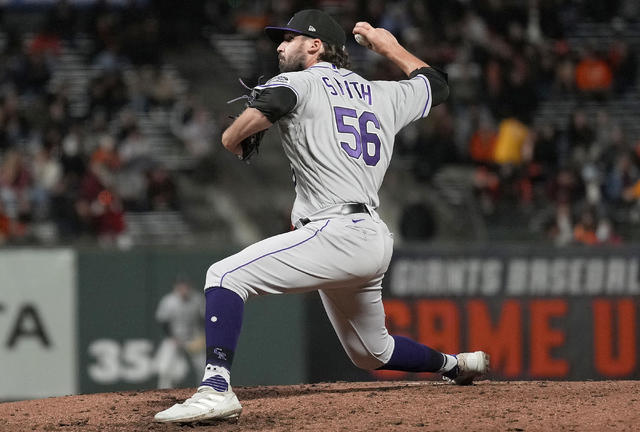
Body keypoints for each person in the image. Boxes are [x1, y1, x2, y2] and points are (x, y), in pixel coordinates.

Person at [154, 9, 489, 423]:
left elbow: (265, 110)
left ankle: (215, 389)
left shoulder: (299, 80)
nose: (279, 46)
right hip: (372, 236)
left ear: (314, 45)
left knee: (224, 276)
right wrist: (389, 46)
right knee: (372, 353)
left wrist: (233, 136)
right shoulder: (383, 93)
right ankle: (458, 365)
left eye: (288, 39)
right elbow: (436, 85)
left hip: (336, 231)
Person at [154, 277, 205, 389]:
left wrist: (202, 336)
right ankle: (162, 393)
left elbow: (203, 319)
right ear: (176, 288)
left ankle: (205, 391)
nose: (184, 290)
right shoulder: (169, 301)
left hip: (193, 338)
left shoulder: (197, 299)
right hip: (173, 338)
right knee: (165, 368)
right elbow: (163, 322)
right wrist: (172, 337)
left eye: (186, 287)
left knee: (203, 366)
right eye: (181, 287)